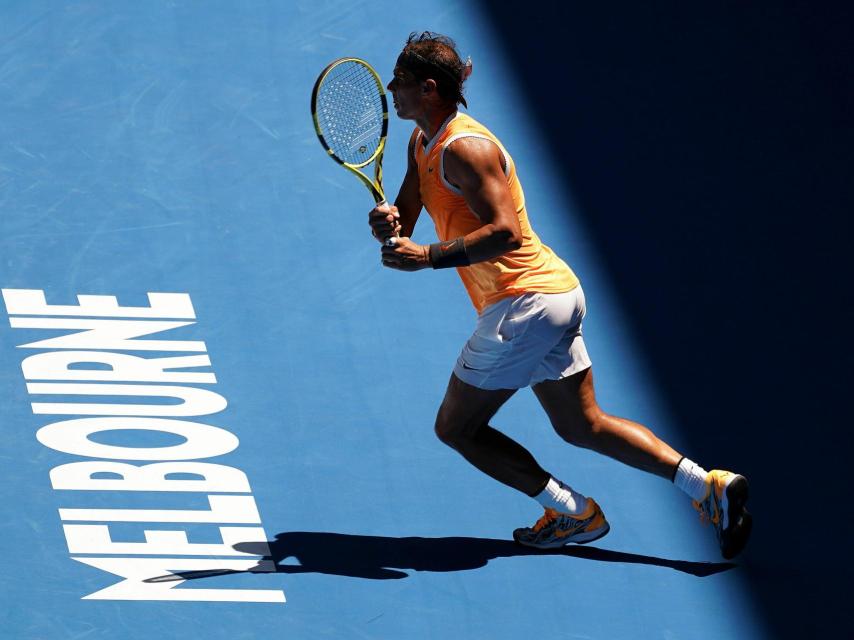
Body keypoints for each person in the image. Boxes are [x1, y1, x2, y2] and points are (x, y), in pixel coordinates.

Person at [369, 32, 751, 559]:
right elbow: (408, 212)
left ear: (429, 88)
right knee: (581, 424)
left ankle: (573, 511)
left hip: (523, 302)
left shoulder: (467, 149)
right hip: (552, 295)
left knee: (456, 428)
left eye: (401, 81)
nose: (392, 88)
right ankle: (706, 485)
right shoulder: (422, 142)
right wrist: (390, 222)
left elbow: (507, 233)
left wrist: (430, 256)